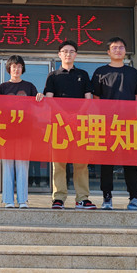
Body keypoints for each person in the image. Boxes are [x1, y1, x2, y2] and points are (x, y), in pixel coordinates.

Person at [91, 37, 137, 211]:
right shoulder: (100, 72)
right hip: (107, 124)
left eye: (121, 47)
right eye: (114, 47)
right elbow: (96, 98)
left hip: (129, 124)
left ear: (125, 51)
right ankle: (107, 197)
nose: (118, 50)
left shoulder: (133, 73)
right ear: (108, 52)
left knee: (131, 162)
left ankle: (134, 197)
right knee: (106, 162)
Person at [43, 40, 94, 209]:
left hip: (80, 125)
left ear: (76, 55)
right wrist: (64, 116)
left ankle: (82, 198)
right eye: (65, 51)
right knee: (59, 163)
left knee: (81, 163)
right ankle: (58, 198)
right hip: (59, 125)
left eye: (72, 51)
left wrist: (77, 116)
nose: (68, 54)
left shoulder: (83, 74)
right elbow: (49, 99)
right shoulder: (53, 76)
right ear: (59, 55)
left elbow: (88, 99)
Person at [0, 55, 37, 209]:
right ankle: (8, 200)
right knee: (7, 166)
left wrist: (40, 97)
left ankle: (22, 200)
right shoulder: (3, 87)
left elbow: (37, 107)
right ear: (9, 69)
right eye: (14, 66)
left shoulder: (29, 87)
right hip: (6, 133)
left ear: (23, 69)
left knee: (22, 166)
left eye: (19, 66)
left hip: (25, 132)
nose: (16, 69)